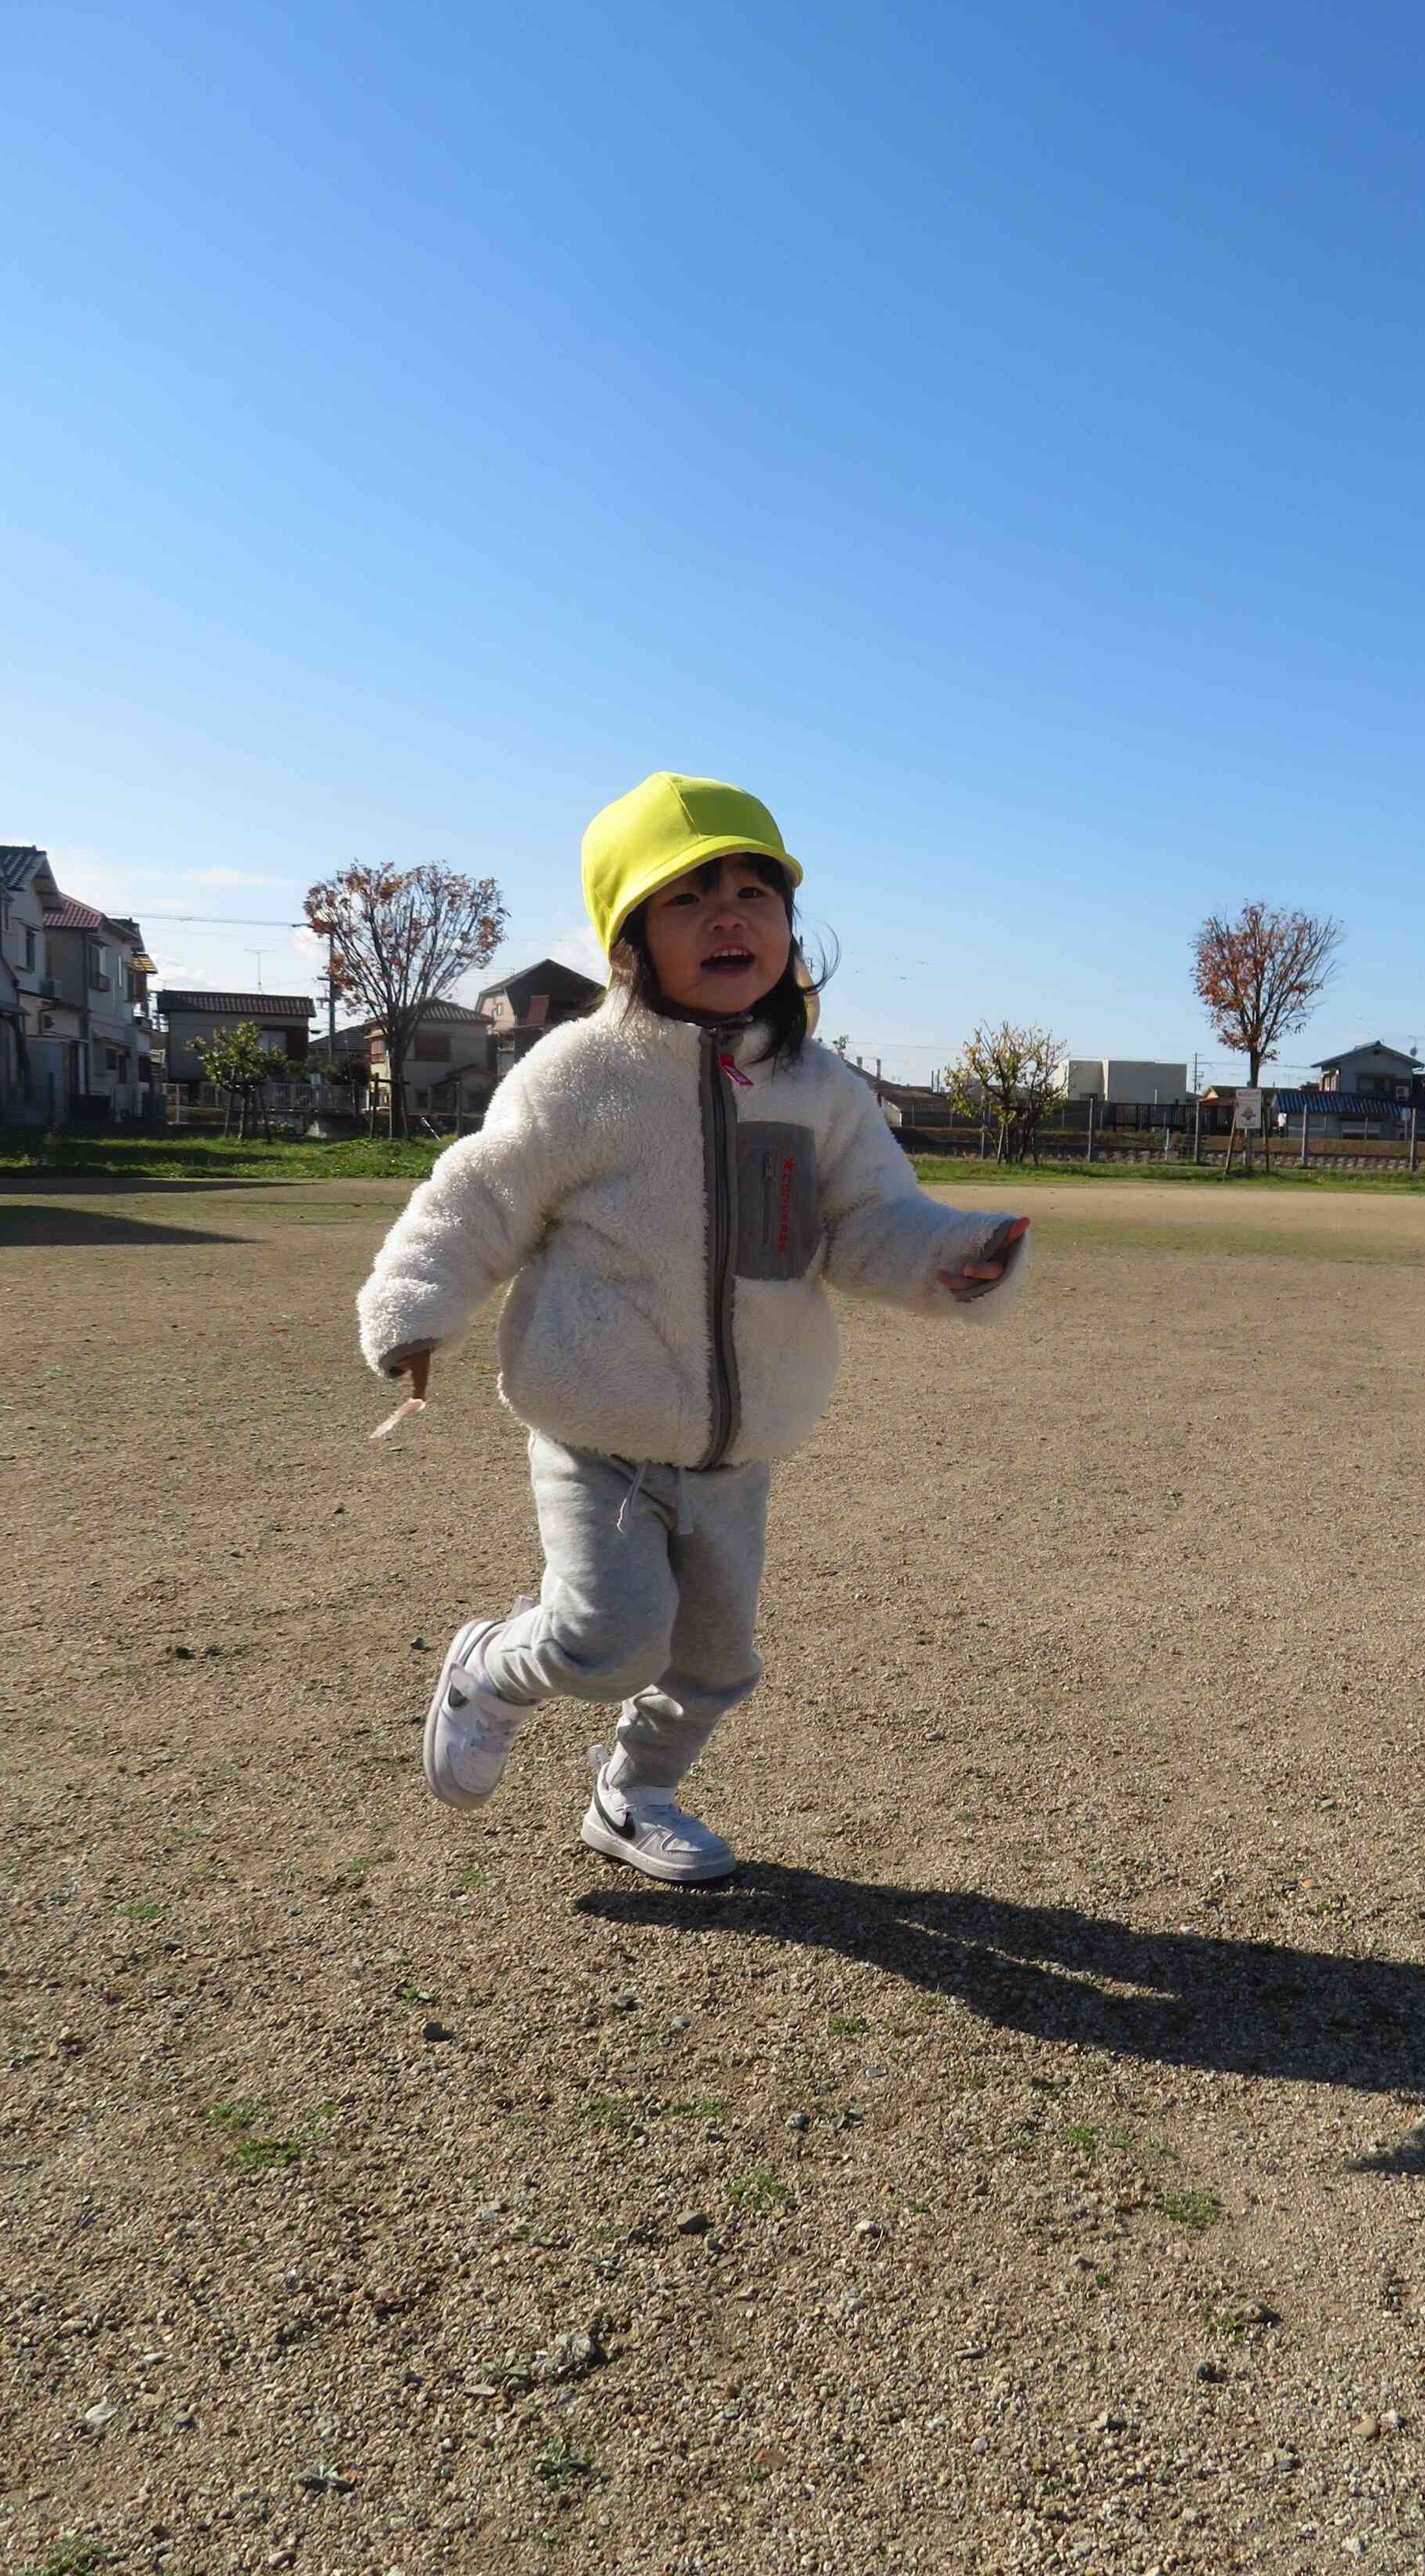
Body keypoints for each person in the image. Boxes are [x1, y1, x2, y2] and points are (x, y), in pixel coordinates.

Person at [356, 771, 1030, 1884]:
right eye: (689, 895)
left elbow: (867, 1223)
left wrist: (949, 1256)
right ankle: (488, 1667)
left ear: (788, 926)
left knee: (715, 1662)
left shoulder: (820, 1090)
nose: (729, 915)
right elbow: (480, 1192)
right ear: (629, 938)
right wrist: (414, 1304)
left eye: (754, 891)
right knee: (607, 1638)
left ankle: (632, 1796)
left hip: (738, 1445)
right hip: (598, 1425)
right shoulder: (581, 1073)